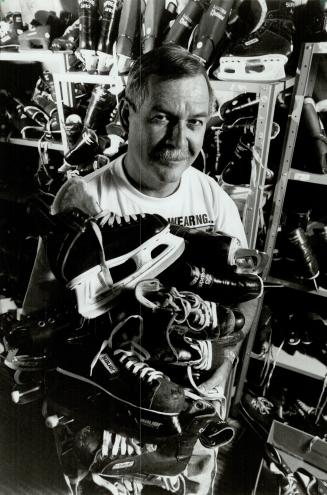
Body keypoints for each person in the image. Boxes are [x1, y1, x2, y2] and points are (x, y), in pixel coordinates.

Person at [23, 44, 259, 495]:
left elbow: (247, 291)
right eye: (161, 117)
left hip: (189, 410)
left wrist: (222, 365)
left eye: (194, 123)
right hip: (107, 423)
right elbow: (40, 304)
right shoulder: (84, 201)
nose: (178, 140)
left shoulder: (213, 199)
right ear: (126, 112)